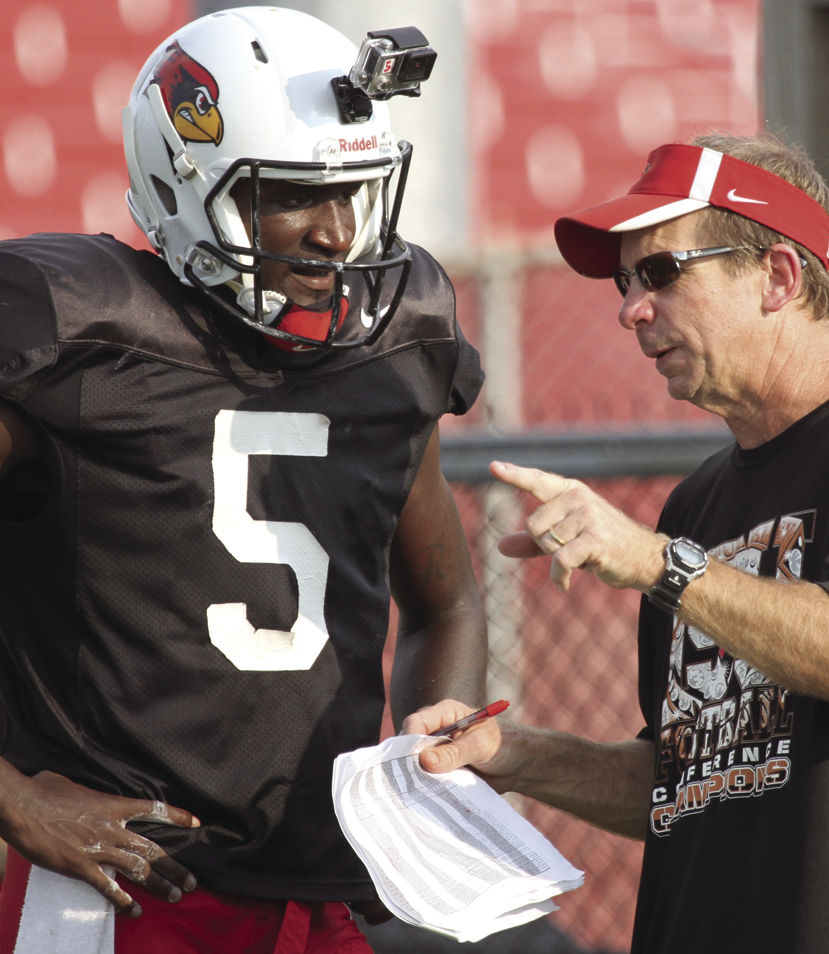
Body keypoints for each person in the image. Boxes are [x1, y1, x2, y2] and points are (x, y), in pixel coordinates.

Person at [406, 131, 829, 953]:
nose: (631, 308)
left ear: (778, 277)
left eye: (661, 272)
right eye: (625, 283)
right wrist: (511, 754)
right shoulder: (698, 502)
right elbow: (683, 777)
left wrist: (661, 565)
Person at [0, 6, 487, 952]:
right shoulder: (77, 335)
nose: (335, 234)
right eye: (296, 196)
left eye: (352, 192)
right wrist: (15, 799)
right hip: (117, 898)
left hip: (319, 899)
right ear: (187, 184)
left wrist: (436, 759)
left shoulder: (398, 344)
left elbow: (449, 604)